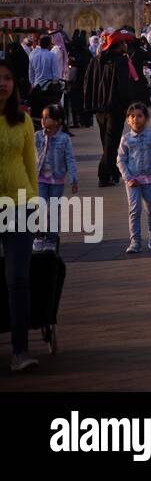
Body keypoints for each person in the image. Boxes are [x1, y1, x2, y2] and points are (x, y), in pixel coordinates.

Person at [0, 62, 39, 371]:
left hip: (19, 204)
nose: (3, 84)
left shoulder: (23, 120)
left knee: (18, 277)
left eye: (7, 78)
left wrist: (36, 205)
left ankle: (20, 350)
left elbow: (30, 164)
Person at [83, 30, 134, 187]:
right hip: (115, 108)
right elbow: (124, 86)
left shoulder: (97, 60)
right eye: (123, 43)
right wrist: (128, 107)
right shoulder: (120, 62)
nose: (126, 46)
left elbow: (88, 82)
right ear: (118, 46)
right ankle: (104, 175)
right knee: (111, 142)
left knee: (107, 140)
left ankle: (112, 172)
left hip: (100, 108)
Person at [116, 102, 151, 254]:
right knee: (134, 210)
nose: (136, 119)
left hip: (149, 179)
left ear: (146, 118)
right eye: (132, 116)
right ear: (128, 120)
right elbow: (120, 160)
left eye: (139, 116)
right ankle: (135, 240)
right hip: (132, 180)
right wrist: (128, 177)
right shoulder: (126, 139)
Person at [33, 104, 76, 253]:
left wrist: (73, 179)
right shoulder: (37, 136)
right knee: (40, 207)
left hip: (57, 180)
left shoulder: (64, 139)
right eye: (42, 117)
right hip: (40, 178)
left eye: (47, 117)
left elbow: (70, 159)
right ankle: (38, 236)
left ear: (58, 121)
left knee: (53, 210)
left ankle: (51, 238)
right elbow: (31, 156)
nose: (43, 120)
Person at [26, 36, 63, 128]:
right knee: (52, 112)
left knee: (38, 113)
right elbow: (56, 75)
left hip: (37, 87)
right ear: (49, 44)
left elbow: (30, 74)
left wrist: (33, 84)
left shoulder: (32, 55)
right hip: (49, 89)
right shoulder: (51, 55)